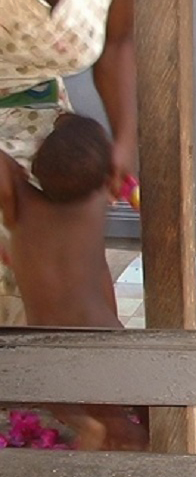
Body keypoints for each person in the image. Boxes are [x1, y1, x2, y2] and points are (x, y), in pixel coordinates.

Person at [0, 112, 147, 450]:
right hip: (99, 328)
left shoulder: (19, 203)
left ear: (37, 167)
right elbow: (99, 155)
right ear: (103, 178)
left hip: (40, 335)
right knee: (127, 395)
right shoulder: (95, 204)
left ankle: (86, 425)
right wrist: (70, 124)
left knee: (53, 391)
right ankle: (136, 431)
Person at [1, 0, 138, 324]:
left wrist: (125, 138)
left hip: (40, 111)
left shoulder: (21, 197)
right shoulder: (89, 199)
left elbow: (118, 41)